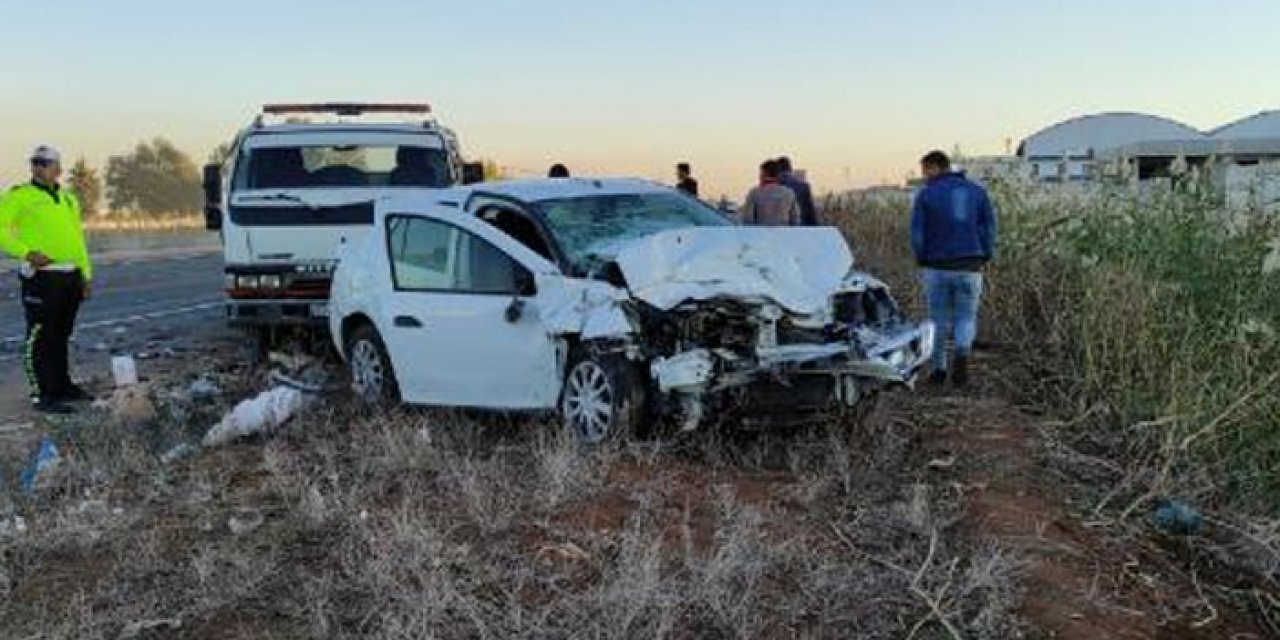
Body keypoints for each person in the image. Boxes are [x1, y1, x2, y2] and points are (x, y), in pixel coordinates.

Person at [0, 146, 94, 413]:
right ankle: (41, 394)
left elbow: (78, 241)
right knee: (40, 336)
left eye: (45, 162)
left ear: (58, 168)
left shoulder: (68, 199)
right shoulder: (20, 196)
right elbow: (1, 230)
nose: (39, 167)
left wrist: (86, 276)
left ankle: (62, 386)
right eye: (35, 162)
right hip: (41, 277)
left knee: (61, 334)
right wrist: (26, 253)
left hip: (69, 276)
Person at [910, 150, 997, 387]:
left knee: (938, 319)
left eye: (925, 170)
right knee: (966, 317)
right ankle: (961, 360)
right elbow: (989, 228)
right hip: (970, 265)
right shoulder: (977, 192)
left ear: (935, 167)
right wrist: (986, 254)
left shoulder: (926, 195)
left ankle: (938, 371)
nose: (924, 176)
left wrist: (921, 257)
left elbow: (917, 233)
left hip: (936, 266)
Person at [739, 159, 800, 226]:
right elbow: (795, 219)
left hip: (760, 233)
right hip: (783, 233)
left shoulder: (754, 193)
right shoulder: (789, 193)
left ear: (764, 174)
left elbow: (747, 218)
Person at [777, 156, 817, 226]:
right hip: (801, 228)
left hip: (779, 230)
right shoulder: (804, 186)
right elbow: (810, 213)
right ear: (790, 169)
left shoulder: (771, 187)